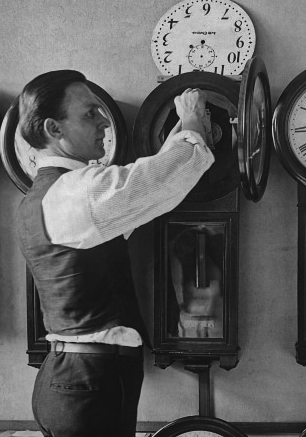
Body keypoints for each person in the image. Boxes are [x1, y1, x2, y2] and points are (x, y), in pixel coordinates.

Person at [14, 70, 214, 437]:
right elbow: (166, 176)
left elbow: (150, 187)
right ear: (53, 129)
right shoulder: (78, 192)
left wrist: (185, 130)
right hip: (89, 385)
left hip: (72, 381)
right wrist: (189, 117)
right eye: (89, 113)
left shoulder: (48, 197)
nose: (104, 121)